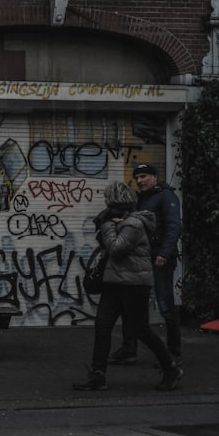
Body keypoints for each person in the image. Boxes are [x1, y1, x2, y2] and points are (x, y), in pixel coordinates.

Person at [74, 181, 183, 391]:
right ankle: (98, 374)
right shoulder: (120, 221)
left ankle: (171, 367)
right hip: (114, 282)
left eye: (107, 197)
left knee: (141, 330)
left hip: (134, 284)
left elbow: (115, 248)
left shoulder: (133, 223)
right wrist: (110, 226)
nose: (104, 201)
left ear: (115, 200)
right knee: (102, 326)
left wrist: (107, 226)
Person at [109, 163, 183, 366]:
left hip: (159, 258)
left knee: (166, 305)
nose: (140, 181)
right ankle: (129, 350)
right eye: (137, 177)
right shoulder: (140, 199)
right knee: (130, 305)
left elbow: (174, 226)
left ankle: (173, 353)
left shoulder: (166, 196)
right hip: (141, 259)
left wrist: (164, 254)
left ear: (154, 177)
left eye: (144, 176)